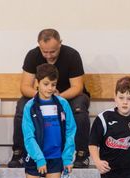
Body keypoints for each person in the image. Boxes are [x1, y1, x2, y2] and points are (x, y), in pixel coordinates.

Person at [8, 28, 90, 169]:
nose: (48, 55)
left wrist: (56, 98)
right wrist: (42, 95)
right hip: (40, 96)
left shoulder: (72, 55)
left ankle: (82, 155)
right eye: (44, 52)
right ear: (39, 45)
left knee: (79, 108)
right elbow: (25, 87)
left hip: (66, 96)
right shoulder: (33, 56)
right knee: (22, 107)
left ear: (60, 44)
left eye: (52, 51)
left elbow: (77, 87)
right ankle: (18, 153)